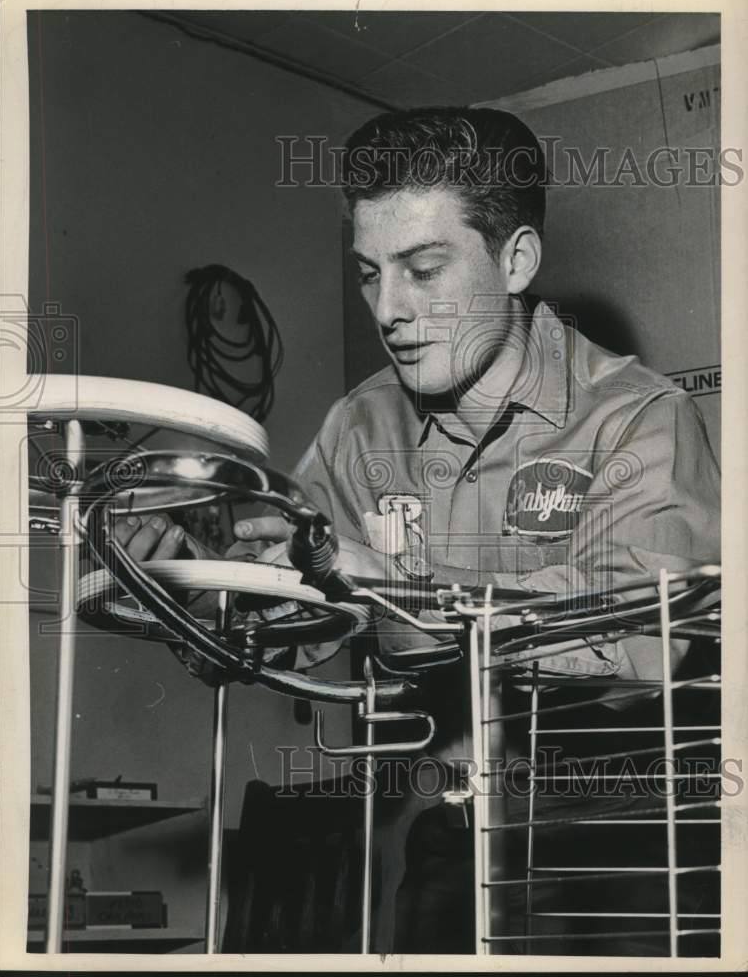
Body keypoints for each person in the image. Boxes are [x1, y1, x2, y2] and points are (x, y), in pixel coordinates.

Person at [115, 107, 721, 952]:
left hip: (623, 851)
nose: (389, 310)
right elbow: (295, 616)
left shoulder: (637, 418)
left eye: (424, 269)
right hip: (453, 845)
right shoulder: (360, 425)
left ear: (516, 260)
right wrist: (199, 594)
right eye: (369, 274)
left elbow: (644, 644)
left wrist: (396, 590)